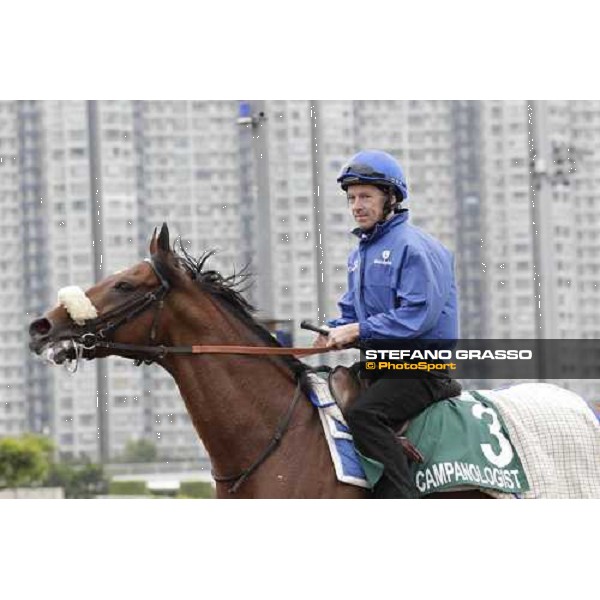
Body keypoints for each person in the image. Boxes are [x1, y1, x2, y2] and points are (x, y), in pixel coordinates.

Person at [313, 149, 462, 498]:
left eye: (365, 196)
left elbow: (417, 316)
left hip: (421, 368)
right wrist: (331, 331)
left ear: (390, 198)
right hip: (382, 364)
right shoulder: (360, 254)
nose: (356, 205)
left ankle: (401, 498)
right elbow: (352, 315)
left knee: (365, 415)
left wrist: (356, 331)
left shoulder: (416, 248)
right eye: (351, 198)